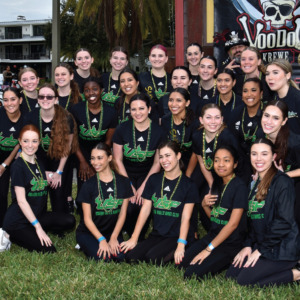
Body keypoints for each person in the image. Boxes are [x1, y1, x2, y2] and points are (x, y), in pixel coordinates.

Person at [226, 138, 300, 287]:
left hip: (283, 247)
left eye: (264, 154)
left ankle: (295, 273)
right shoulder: (254, 185)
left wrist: (260, 250)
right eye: (254, 154)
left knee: (244, 280)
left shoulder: (283, 182)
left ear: (273, 156)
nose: (258, 158)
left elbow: (284, 222)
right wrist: (247, 245)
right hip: (264, 244)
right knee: (231, 275)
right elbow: (254, 221)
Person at [120, 140, 199, 265]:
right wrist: (134, 238)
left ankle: (187, 246)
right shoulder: (154, 179)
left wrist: (181, 244)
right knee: (131, 257)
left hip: (177, 235)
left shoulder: (189, 185)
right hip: (158, 234)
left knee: (152, 259)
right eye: (161, 157)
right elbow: (145, 209)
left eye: (168, 156)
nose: (164, 160)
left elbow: (186, 217)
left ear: (178, 156)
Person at [0, 125, 75, 253]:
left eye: (34, 141)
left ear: (39, 142)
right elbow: (21, 201)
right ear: (20, 142)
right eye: (26, 141)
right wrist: (39, 228)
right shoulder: (18, 166)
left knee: (70, 221)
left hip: (37, 214)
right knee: (49, 250)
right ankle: (7, 234)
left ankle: (31, 228)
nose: (30, 145)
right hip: (18, 221)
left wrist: (52, 175)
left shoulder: (38, 161)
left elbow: (36, 176)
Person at [178, 145, 248, 280]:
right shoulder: (217, 184)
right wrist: (204, 206)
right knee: (181, 263)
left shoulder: (240, 187)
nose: (220, 164)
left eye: (226, 160)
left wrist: (208, 250)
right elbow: (216, 219)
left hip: (230, 244)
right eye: (216, 160)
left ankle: (227, 261)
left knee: (191, 275)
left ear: (235, 164)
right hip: (213, 236)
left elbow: (233, 224)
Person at [113, 93, 163, 238]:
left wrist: (143, 186)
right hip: (125, 172)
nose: (137, 113)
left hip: (148, 174)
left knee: (142, 202)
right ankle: (127, 229)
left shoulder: (159, 131)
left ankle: (139, 235)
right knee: (128, 205)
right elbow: (117, 160)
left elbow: (156, 163)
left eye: (141, 108)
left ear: (149, 109)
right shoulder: (122, 128)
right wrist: (128, 185)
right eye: (133, 109)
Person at [24, 83, 78, 213]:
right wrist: (43, 171)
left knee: (59, 199)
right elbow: (27, 147)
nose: (45, 100)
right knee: (38, 195)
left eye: (49, 97)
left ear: (56, 99)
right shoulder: (31, 117)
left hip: (58, 159)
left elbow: (67, 147)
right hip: (37, 159)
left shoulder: (66, 117)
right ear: (38, 99)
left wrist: (58, 172)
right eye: (42, 97)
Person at [191, 104, 246, 230]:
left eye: (217, 118)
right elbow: (201, 162)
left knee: (223, 198)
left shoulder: (228, 137)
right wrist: (211, 184)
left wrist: (222, 187)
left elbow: (235, 165)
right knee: (200, 193)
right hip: (213, 172)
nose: (213, 122)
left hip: (235, 173)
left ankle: (231, 229)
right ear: (201, 120)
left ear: (222, 120)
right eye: (208, 117)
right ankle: (205, 229)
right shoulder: (197, 136)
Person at [76, 142, 133, 261]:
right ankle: (85, 244)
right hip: (90, 232)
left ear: (110, 158)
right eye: (92, 158)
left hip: (112, 232)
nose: (95, 162)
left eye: (100, 158)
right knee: (104, 258)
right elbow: (87, 219)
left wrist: (114, 237)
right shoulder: (88, 185)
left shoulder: (123, 182)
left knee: (121, 257)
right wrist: (101, 240)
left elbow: (123, 214)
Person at [71, 77, 117, 196]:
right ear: (83, 93)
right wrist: (83, 162)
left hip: (101, 151)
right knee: (84, 179)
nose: (91, 93)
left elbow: (108, 141)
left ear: (101, 90)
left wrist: (95, 162)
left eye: (95, 89)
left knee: (100, 181)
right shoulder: (76, 109)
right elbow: (73, 139)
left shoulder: (111, 112)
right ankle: (81, 206)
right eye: (87, 90)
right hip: (81, 151)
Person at [258, 100, 300, 227]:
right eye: (266, 115)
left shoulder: (294, 142)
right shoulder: (261, 136)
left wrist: (284, 175)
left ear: (284, 121)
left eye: (275, 118)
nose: (269, 121)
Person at [229, 78, 264, 182]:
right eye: (245, 91)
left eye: (253, 90)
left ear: (261, 93)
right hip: (241, 166)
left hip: (263, 164)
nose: (249, 94)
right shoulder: (236, 113)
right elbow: (231, 142)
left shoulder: (267, 113)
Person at [0, 87, 23, 227]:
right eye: (5, 100)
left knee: (18, 191)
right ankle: (1, 226)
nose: (9, 103)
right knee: (1, 193)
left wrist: (4, 165)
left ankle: (17, 222)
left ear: (20, 100)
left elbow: (19, 143)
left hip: (14, 157)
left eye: (13, 99)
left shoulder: (26, 117)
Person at [161, 87, 199, 169]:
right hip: (170, 163)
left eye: (178, 100)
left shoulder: (195, 123)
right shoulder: (165, 120)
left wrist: (188, 174)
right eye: (171, 100)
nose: (173, 104)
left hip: (191, 164)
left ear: (187, 103)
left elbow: (195, 153)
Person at [265, 58, 300, 134]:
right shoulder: (272, 100)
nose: (270, 77)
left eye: (275, 73)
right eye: (267, 74)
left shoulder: (297, 98)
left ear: (288, 75)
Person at [219, 29, 249, 96]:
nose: (237, 50)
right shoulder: (222, 69)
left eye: (240, 47)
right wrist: (225, 73)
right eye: (233, 48)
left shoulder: (256, 64)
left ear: (246, 48)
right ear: (228, 52)